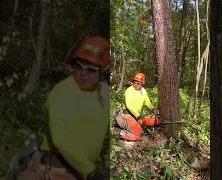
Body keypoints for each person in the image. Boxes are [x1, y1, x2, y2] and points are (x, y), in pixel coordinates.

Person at [15, 36, 110, 180]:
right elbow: (60, 139)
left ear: (104, 71)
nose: (83, 73)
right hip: (57, 166)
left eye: (91, 69)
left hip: (84, 169)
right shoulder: (62, 93)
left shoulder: (104, 93)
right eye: (79, 66)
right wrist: (90, 171)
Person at [115, 73, 160, 141]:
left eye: (138, 83)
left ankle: (131, 128)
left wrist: (153, 108)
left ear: (142, 84)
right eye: (134, 82)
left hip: (135, 116)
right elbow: (129, 106)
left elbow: (147, 101)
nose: (135, 84)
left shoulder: (143, 91)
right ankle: (116, 132)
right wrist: (138, 116)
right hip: (126, 116)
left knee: (152, 121)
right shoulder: (129, 91)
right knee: (138, 136)